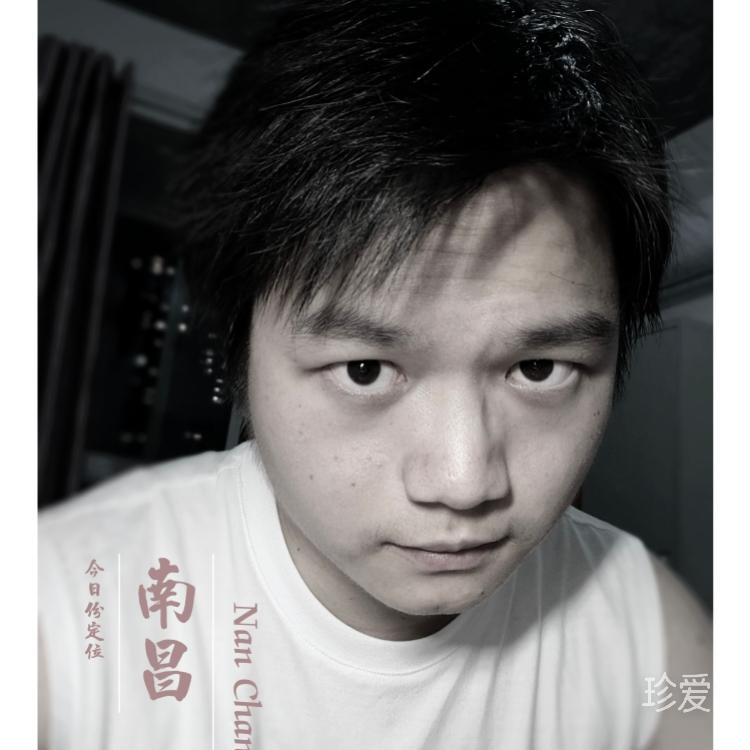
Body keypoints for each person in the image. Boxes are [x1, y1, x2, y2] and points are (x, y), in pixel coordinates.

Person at [38, 1, 712, 748]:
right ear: (241, 357)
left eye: (538, 367)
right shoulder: (56, 611)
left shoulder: (647, 622)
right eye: (364, 370)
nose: (463, 483)